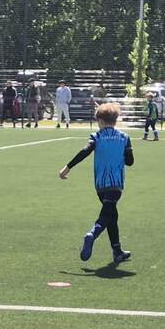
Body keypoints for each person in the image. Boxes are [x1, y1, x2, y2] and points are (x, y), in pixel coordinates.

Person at [58, 103, 134, 264]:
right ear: (115, 120)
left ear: (100, 121)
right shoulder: (124, 137)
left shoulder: (96, 137)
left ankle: (117, 251)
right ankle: (92, 234)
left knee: (112, 215)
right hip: (116, 184)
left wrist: (67, 167)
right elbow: (130, 162)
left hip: (100, 185)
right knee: (107, 214)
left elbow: (85, 152)